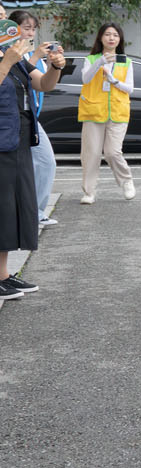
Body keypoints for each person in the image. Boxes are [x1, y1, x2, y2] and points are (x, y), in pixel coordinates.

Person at [0, 28, 61, 298]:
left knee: (10, 210)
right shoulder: (9, 57)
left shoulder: (11, 54)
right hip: (2, 142)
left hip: (18, 139)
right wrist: (7, 62)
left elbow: (44, 85)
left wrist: (55, 66)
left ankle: (3, 275)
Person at [77, 23, 136, 206]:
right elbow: (85, 79)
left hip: (118, 111)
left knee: (112, 152)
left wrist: (113, 80)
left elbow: (130, 89)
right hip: (94, 111)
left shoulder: (126, 61)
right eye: (108, 34)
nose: (111, 38)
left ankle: (126, 181)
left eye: (115, 35)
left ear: (120, 39)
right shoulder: (91, 59)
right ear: (101, 38)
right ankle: (89, 192)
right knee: (91, 154)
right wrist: (100, 62)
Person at [14, 13, 60, 219]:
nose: (31, 33)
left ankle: (36, 212)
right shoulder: (12, 53)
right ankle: (29, 213)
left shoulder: (32, 55)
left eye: (33, 29)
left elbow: (42, 83)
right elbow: (20, 75)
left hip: (30, 117)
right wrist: (33, 57)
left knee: (46, 162)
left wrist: (55, 65)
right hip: (13, 118)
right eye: (26, 28)